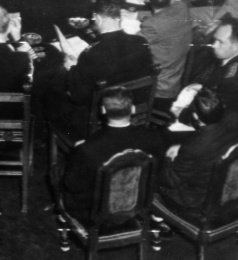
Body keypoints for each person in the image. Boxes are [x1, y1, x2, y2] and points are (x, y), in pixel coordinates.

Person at [51, 0, 154, 139]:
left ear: (97, 18)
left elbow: (77, 97)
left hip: (100, 116)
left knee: (53, 97)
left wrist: (72, 68)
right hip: (133, 107)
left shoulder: (91, 54)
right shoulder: (141, 43)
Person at [61, 86, 166, 221]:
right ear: (133, 109)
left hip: (95, 214)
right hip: (139, 205)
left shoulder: (87, 148)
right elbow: (157, 173)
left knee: (59, 172)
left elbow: (72, 185)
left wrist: (76, 154)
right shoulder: (155, 138)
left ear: (103, 110)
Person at [171, 16, 238, 132]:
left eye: (220, 42)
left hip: (222, 130)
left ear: (235, 46)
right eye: (214, 40)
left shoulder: (232, 79)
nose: (214, 45)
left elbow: (213, 115)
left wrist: (182, 114)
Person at [158, 88, 238, 210]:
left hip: (196, 200)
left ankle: (158, 215)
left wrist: (168, 157)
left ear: (195, 116)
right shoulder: (235, 120)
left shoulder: (194, 147)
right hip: (228, 189)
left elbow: (171, 181)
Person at [139, 0, 193, 112]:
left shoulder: (150, 26)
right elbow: (166, 18)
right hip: (175, 80)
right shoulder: (182, 8)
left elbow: (134, 44)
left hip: (158, 90)